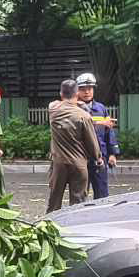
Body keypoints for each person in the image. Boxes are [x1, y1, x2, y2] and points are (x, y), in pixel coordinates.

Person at [47, 76, 101, 212]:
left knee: (54, 200)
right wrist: (98, 157)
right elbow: (91, 141)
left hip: (58, 163)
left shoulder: (53, 109)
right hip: (78, 164)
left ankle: (48, 227)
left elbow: (55, 102)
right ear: (77, 94)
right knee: (78, 203)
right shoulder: (83, 116)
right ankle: (75, 228)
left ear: (61, 94)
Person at [74, 73, 120, 198]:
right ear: (77, 91)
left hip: (100, 157)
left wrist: (112, 153)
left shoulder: (101, 108)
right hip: (81, 157)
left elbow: (109, 132)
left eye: (89, 88)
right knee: (80, 194)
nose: (87, 92)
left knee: (102, 193)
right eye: (83, 89)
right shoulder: (73, 109)